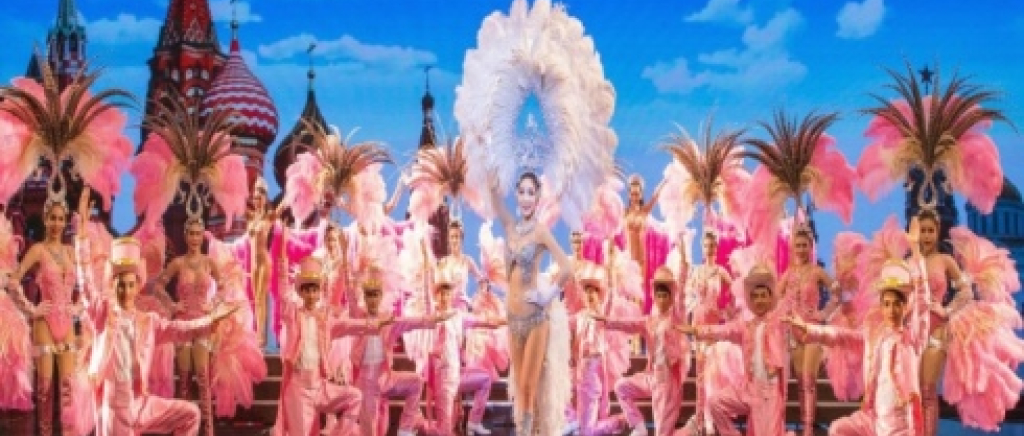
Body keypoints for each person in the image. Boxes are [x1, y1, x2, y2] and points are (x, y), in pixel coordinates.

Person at [86, 237, 238, 436]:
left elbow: (179, 329)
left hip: (141, 404)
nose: (126, 291)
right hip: (116, 407)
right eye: (121, 285)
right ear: (113, 286)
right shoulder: (104, 317)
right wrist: (82, 239)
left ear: (138, 286)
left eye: (131, 285)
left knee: (190, 414)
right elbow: (86, 288)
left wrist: (210, 320)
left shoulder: (148, 321)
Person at [787, 257, 927, 436]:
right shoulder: (875, 336)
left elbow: (923, 308)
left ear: (905, 306)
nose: (891, 310)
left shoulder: (912, 338)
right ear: (881, 307)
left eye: (896, 304)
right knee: (838, 429)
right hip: (872, 417)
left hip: (899, 422)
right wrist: (809, 329)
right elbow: (842, 336)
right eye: (887, 304)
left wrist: (917, 255)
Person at [487, 171, 574, 436]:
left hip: (535, 321)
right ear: (516, 194)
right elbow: (495, 200)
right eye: (522, 192)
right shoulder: (510, 227)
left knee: (528, 386)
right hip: (513, 321)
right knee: (519, 385)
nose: (526, 198)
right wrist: (490, 166)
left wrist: (546, 296)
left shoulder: (540, 231)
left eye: (531, 193)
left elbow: (567, 268)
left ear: (537, 198)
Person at [271, 256, 391, 436]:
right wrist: (282, 260)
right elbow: (283, 295)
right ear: (301, 293)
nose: (311, 295)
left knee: (355, 397)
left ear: (319, 292)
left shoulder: (325, 321)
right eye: (307, 290)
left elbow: (350, 325)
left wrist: (376, 324)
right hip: (298, 389)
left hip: (319, 386)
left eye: (314, 290)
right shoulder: (294, 316)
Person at [9, 188, 90, 435]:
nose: (56, 223)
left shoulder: (70, 252)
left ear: (65, 221)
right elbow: (13, 281)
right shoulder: (38, 250)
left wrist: (79, 306)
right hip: (44, 323)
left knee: (68, 391)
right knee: (45, 391)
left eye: (60, 218)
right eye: (52, 218)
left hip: (68, 324)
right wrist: (31, 309)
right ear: (45, 219)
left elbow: (88, 285)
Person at [679, 264, 791, 436]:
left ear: (771, 298)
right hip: (749, 390)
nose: (759, 300)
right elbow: (723, 330)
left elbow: (790, 305)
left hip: (770, 394)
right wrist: (696, 330)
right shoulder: (744, 326)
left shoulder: (778, 322)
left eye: (763, 296)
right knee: (715, 402)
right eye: (755, 297)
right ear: (750, 301)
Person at [348, 265, 452, 436]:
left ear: (380, 296)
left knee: (416, 382)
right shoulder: (359, 319)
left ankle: (405, 430)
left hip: (385, 378)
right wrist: (347, 264)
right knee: (370, 431)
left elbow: (411, 322)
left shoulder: (388, 321)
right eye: (369, 295)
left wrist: (434, 319)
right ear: (365, 298)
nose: (372, 299)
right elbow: (351, 297)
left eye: (375, 295)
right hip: (366, 384)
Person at [591, 266, 689, 436]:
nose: (662, 300)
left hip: (667, 382)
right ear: (655, 297)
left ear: (671, 297)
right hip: (651, 376)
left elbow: (681, 295)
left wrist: (683, 265)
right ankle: (640, 428)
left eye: (665, 296)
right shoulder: (649, 321)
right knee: (621, 386)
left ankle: (691, 429)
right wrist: (607, 320)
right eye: (659, 296)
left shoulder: (676, 318)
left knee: (662, 432)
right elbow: (628, 323)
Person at [149, 217, 224, 435]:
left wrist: (213, 304)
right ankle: (184, 430)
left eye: (198, 234)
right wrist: (173, 306)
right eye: (191, 233)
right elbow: (158, 287)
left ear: (202, 236)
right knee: (183, 380)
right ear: (185, 235)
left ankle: (208, 431)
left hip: (202, 324)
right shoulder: (178, 263)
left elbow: (224, 287)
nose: (194, 238)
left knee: (203, 379)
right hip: (182, 325)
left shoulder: (209, 263)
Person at [420, 259, 504, 435]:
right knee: (445, 429)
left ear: (452, 296)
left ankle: (474, 422)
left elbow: (484, 321)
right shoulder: (432, 317)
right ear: (436, 296)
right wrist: (427, 268)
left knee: (485, 378)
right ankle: (421, 424)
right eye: (441, 294)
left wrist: (507, 320)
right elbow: (427, 298)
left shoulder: (458, 316)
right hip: (443, 381)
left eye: (447, 294)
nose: (444, 297)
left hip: (457, 376)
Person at [777, 226, 838, 435]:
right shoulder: (788, 274)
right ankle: (805, 424)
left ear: (811, 248)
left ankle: (808, 429)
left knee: (809, 381)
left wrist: (824, 314)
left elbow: (837, 292)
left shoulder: (817, 271)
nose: (801, 249)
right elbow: (775, 299)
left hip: (812, 330)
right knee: (801, 382)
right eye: (798, 246)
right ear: (793, 248)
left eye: (805, 245)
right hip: (793, 333)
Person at [570, 261, 628, 436]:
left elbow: (610, 299)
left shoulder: (602, 316)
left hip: (593, 371)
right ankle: (616, 422)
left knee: (586, 430)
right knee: (582, 426)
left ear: (598, 295)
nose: (589, 295)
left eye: (593, 292)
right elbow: (567, 330)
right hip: (580, 373)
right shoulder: (579, 317)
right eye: (586, 292)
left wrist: (609, 268)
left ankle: (618, 421)